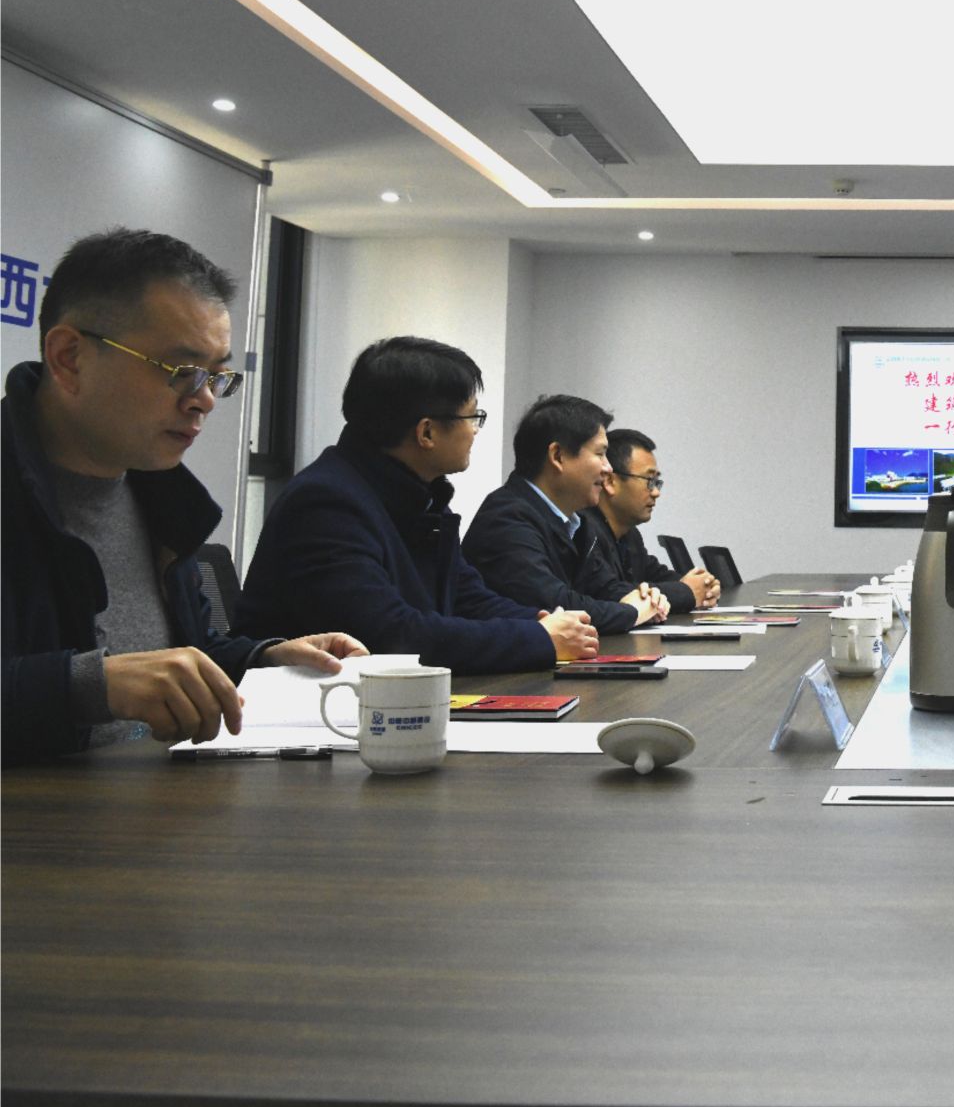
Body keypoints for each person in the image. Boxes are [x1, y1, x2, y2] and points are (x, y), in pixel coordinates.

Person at [2, 229, 365, 765]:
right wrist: (91, 685)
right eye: (182, 372)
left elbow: (179, 656)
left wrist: (265, 660)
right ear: (70, 358)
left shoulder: (162, 496)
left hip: (158, 801)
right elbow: (109, 681)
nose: (205, 401)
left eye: (216, 377)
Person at [235, 337, 600, 675]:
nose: (475, 431)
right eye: (472, 417)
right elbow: (389, 635)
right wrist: (538, 638)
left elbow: (468, 598)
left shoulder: (420, 498)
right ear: (427, 433)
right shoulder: (325, 503)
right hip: (316, 712)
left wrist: (543, 623)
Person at [462, 395, 666, 634]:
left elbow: (604, 589)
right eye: (600, 454)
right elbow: (556, 605)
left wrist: (647, 598)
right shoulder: (506, 519)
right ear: (558, 456)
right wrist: (632, 612)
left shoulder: (577, 523)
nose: (608, 468)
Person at [578, 428, 720, 615]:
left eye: (657, 482)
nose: (656, 492)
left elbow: (656, 574)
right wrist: (687, 591)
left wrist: (703, 586)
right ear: (610, 481)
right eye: (649, 480)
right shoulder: (584, 530)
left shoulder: (629, 534)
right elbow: (609, 593)